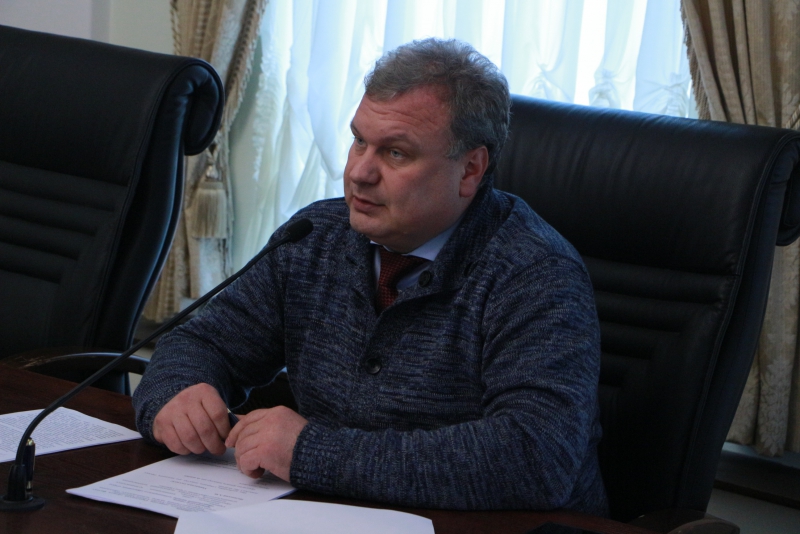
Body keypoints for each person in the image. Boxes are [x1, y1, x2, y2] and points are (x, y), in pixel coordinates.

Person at [133, 38, 607, 515]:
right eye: (359, 140)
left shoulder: (535, 274)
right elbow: (205, 344)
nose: (359, 172)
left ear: (470, 170)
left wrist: (311, 453)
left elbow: (535, 458)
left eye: (395, 153)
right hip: (321, 513)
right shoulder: (314, 237)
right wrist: (176, 393)